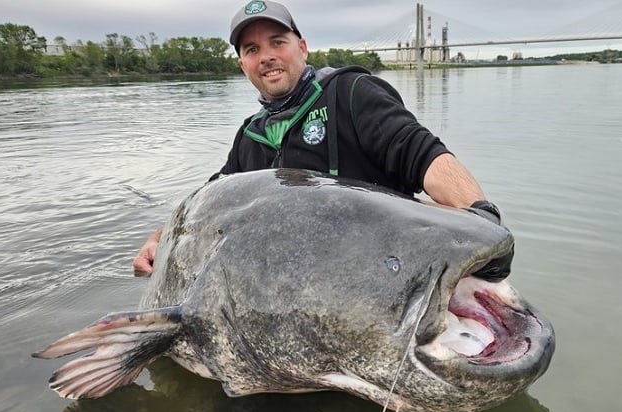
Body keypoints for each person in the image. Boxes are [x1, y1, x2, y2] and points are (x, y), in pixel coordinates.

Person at [133, 0, 512, 280]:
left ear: (302, 47)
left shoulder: (352, 94)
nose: (266, 56)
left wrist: (480, 220)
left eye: (277, 42)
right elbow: (210, 202)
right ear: (242, 65)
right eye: (252, 50)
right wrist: (160, 240)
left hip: (384, 280)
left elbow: (422, 154)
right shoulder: (250, 137)